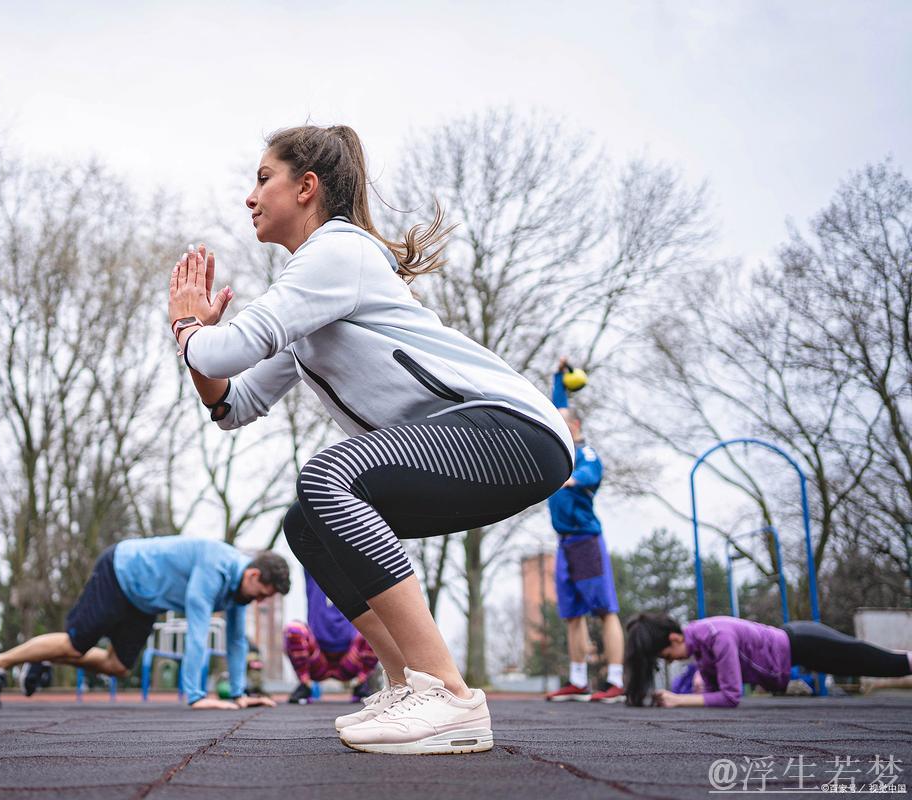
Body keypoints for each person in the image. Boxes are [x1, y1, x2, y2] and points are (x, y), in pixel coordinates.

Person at [168, 124, 573, 754]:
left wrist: (189, 326)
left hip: (512, 430)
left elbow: (227, 348)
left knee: (328, 475)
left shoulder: (337, 252)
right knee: (305, 520)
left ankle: (449, 694)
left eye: (262, 177)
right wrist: (199, 349)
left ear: (306, 188)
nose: (249, 196)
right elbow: (232, 403)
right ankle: (408, 682)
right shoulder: (312, 301)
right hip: (469, 446)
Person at [0, 537, 290, 710]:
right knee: (75, 644)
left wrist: (238, 695)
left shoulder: (240, 592)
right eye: (262, 594)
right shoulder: (214, 567)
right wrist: (197, 698)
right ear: (252, 575)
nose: (259, 601)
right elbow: (197, 632)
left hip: (145, 603)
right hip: (120, 572)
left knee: (117, 666)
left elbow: (236, 640)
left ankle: (39, 657)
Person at [543, 358, 625, 703]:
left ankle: (616, 681)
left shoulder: (585, 453)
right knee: (572, 614)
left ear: (575, 425)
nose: (556, 425)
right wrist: (559, 375)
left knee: (604, 610)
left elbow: (589, 476)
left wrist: (560, 478)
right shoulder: (561, 447)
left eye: (563, 422)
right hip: (564, 543)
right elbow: (556, 405)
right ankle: (578, 681)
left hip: (586, 540)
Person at [624, 613, 912, 708]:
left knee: (885, 664)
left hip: (805, 641)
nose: (672, 662)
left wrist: (678, 699)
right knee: (873, 662)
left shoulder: (716, 636)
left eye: (667, 656)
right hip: (799, 646)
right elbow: (714, 693)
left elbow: (731, 696)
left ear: (675, 639)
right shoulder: (700, 648)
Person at [285, 574, 378, 704]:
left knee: (378, 628)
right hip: (317, 659)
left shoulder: (352, 571)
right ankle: (305, 685)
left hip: (349, 659)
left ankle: (360, 684)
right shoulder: (314, 570)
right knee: (294, 629)